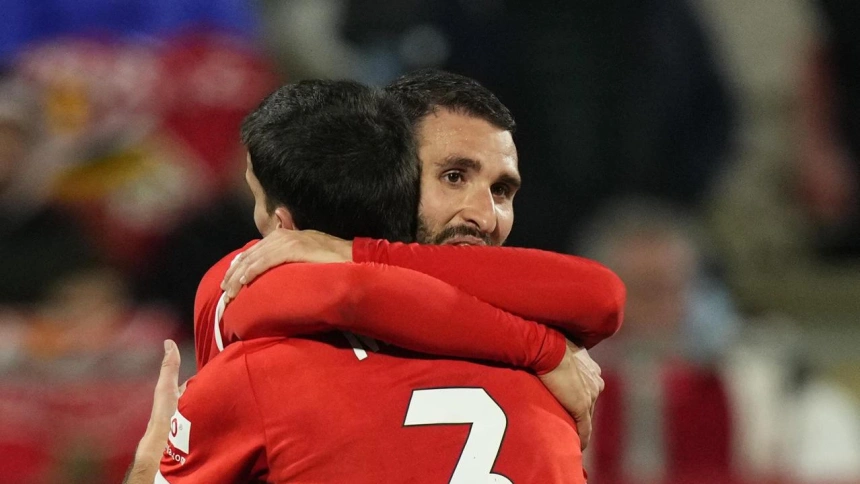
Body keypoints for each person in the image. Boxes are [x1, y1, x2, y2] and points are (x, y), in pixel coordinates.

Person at [128, 73, 625, 482]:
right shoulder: (547, 371)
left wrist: (354, 253)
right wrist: (547, 351)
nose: (486, 216)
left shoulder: (263, 358)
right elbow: (343, 294)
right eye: (454, 176)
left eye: (502, 191)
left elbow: (601, 294)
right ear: (392, 174)